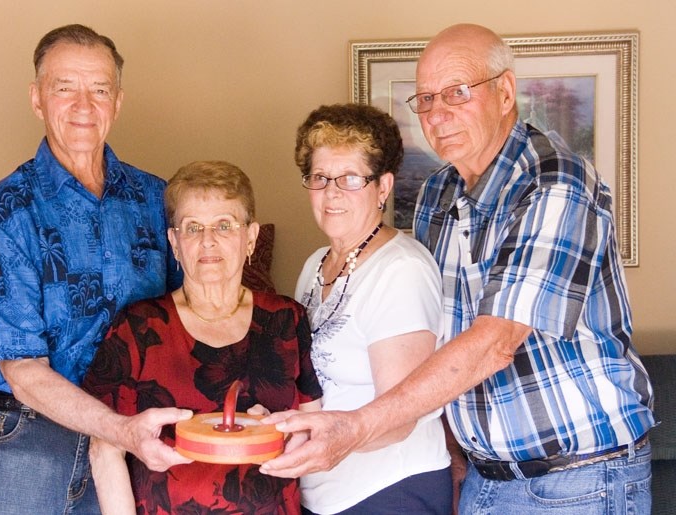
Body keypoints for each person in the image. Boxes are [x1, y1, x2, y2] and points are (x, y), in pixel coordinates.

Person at [261, 24, 655, 514]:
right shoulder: (437, 193)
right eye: (424, 99)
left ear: (506, 92)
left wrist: (356, 428)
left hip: (576, 477)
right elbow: (436, 337)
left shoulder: (555, 182)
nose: (437, 113)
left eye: (457, 92)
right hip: (482, 474)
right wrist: (450, 448)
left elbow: (497, 341)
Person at [0, 24, 189, 515]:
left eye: (99, 90)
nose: (84, 106)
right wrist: (119, 430)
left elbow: (192, 314)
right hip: (15, 439)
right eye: (64, 88)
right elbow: (23, 372)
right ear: (37, 99)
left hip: (124, 438)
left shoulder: (156, 200)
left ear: (118, 102)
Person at [84, 160, 323, 514]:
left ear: (251, 238)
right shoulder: (139, 326)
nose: (207, 240)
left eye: (224, 225)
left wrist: (279, 431)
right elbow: (105, 447)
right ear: (175, 244)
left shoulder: (286, 319)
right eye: (192, 227)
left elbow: (311, 427)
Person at [292, 103, 451, 514]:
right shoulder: (315, 265)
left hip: (391, 492)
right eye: (320, 177)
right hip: (324, 489)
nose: (331, 193)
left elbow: (401, 416)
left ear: (382, 187)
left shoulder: (401, 270)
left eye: (349, 178)